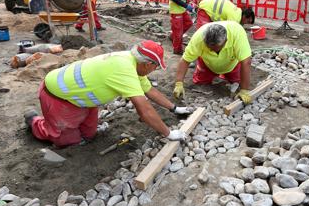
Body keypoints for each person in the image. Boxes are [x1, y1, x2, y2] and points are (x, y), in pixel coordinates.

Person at [24, 40, 192, 148]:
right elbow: (145, 110)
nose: (155, 70)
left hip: (83, 100)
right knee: (67, 141)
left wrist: (174, 108)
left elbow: (150, 91)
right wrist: (169, 134)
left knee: (89, 134)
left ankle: (74, 128)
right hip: (59, 96)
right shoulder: (124, 70)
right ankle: (35, 122)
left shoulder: (133, 63)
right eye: (156, 66)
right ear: (148, 64)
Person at [173, 22, 253, 105]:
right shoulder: (198, 39)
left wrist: (244, 90)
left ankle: (228, 76)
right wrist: (179, 83)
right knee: (201, 83)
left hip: (231, 64)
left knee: (236, 83)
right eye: (209, 48)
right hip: (207, 64)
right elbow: (185, 60)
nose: (211, 51)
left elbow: (246, 62)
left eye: (215, 49)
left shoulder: (237, 34)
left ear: (225, 41)